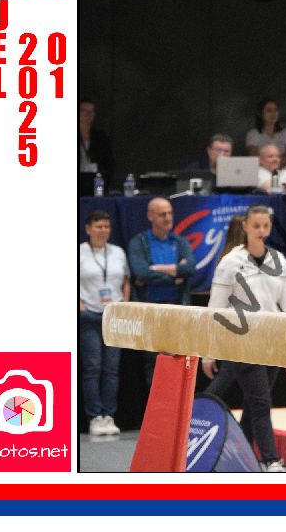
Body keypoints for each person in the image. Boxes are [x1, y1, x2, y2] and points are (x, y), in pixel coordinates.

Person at [202, 206, 286, 472]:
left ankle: (240, 455)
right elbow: (216, 307)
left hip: (272, 342)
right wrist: (208, 352)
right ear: (246, 227)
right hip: (242, 341)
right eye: (256, 226)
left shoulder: (278, 260)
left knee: (253, 403)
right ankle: (271, 460)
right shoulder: (230, 263)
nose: (261, 231)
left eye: (265, 226)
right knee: (261, 402)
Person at [127, 197, 198, 385]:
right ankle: (158, 402)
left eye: (170, 213)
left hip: (177, 308)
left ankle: (177, 401)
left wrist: (157, 268)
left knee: (179, 360)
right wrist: (175, 274)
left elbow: (190, 268)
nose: (168, 218)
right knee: (154, 362)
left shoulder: (180, 242)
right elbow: (141, 272)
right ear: (150, 216)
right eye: (162, 214)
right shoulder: (139, 242)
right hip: (151, 311)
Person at [79, 210, 130, 436]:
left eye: (106, 227)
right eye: (98, 226)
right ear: (88, 229)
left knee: (112, 368)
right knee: (92, 367)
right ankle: (94, 417)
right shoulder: (80, 252)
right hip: (90, 314)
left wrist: (125, 303)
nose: (103, 231)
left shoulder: (117, 252)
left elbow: (126, 279)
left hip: (114, 315)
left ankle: (109, 415)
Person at [244, 98, 286, 168]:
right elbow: (254, 157)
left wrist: (270, 161)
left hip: (281, 172)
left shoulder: (285, 133)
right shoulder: (253, 134)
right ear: (261, 114)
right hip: (261, 172)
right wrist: (278, 160)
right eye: (269, 110)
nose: (273, 113)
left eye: (275, 110)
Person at [78, 98, 115, 195]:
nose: (88, 114)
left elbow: (109, 162)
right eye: (84, 110)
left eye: (91, 111)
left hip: (95, 181)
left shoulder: (100, 137)